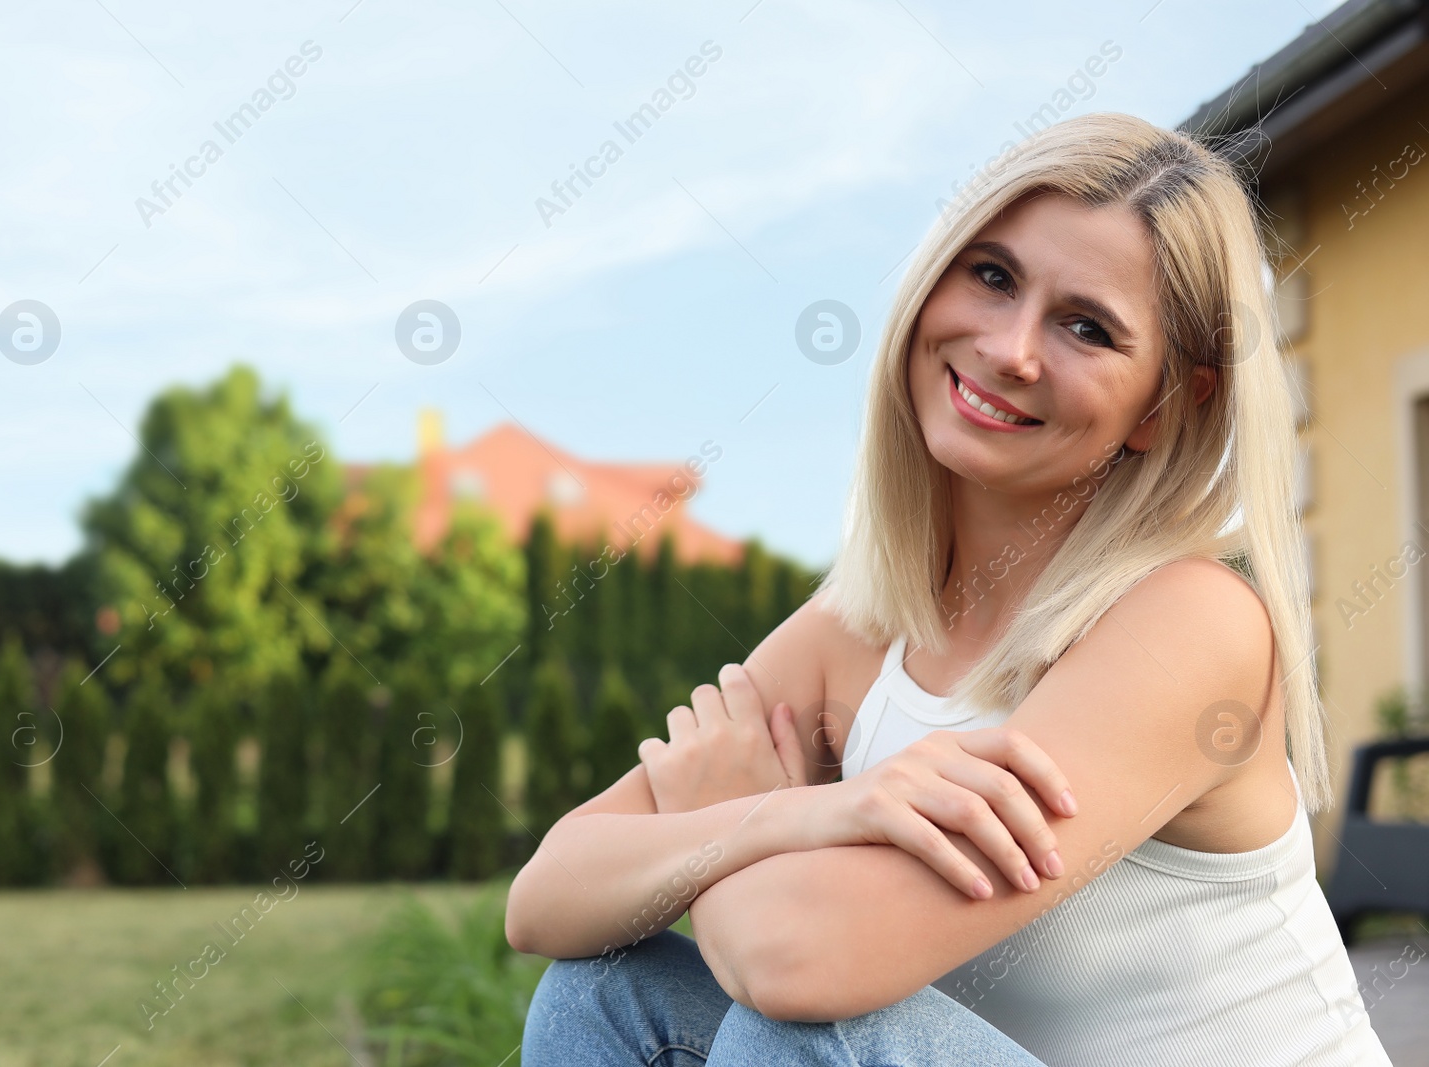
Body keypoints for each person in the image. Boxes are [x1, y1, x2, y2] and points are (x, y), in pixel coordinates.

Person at [505, 111, 1392, 1066]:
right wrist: (800, 812)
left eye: (1086, 327)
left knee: (803, 1029)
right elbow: (546, 897)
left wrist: (720, 833)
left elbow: (798, 967)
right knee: (604, 988)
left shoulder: (1188, 621)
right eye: (994, 276)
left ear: (1168, 404)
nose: (1012, 348)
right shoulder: (863, 625)